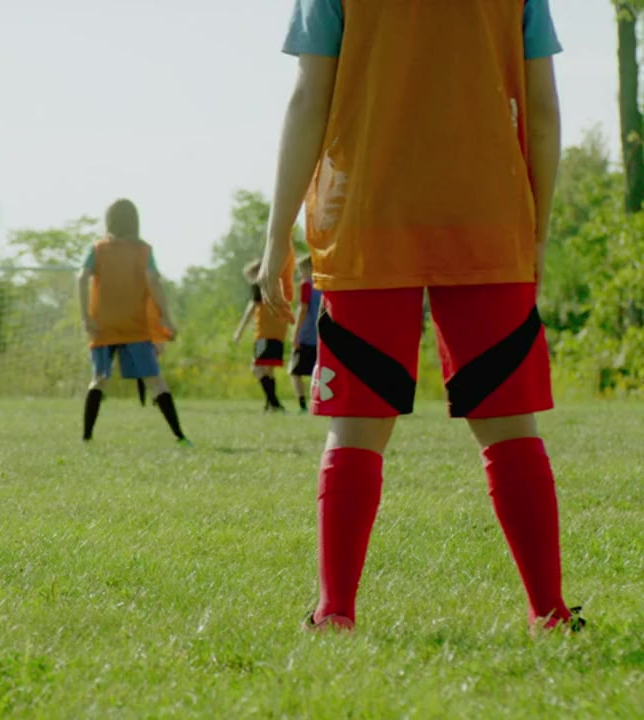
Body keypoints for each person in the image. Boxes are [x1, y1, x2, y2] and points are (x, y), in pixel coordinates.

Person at [260, 0, 579, 631]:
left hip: (366, 219)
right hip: (488, 220)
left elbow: (308, 99)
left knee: (356, 425)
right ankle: (549, 612)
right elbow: (543, 109)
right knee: (510, 424)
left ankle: (334, 612)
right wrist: (537, 230)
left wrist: (276, 235)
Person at [78, 198, 191, 446]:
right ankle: (180, 436)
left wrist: (86, 316)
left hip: (103, 325)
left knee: (99, 379)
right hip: (134, 326)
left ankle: (86, 437)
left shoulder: (98, 249)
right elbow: (153, 280)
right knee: (155, 380)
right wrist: (165, 315)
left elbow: (82, 278)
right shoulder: (143, 250)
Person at [233, 259, 293, 412]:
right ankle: (270, 404)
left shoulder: (258, 285)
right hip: (278, 333)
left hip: (264, 333)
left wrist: (239, 331)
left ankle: (275, 403)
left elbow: (251, 309)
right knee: (269, 370)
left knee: (257, 367)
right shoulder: (277, 285)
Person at [291, 255, 323, 413]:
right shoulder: (323, 285)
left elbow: (302, 309)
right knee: (317, 371)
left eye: (301, 269)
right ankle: (319, 402)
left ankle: (303, 404)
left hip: (306, 334)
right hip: (320, 335)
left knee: (295, 371)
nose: (300, 273)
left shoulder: (306, 285)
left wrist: (295, 333)